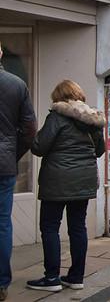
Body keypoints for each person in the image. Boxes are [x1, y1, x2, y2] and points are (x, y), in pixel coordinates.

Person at [27, 80, 105, 292]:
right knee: (78, 227)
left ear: (58, 97)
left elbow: (39, 147)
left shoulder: (56, 117)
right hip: (83, 181)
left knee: (50, 228)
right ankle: (76, 277)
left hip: (57, 182)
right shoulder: (93, 120)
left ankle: (51, 278)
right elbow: (99, 150)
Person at [0, 43, 38, 300]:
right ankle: (1, 283)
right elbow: (29, 130)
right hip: (3, 166)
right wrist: (12, 155)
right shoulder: (16, 84)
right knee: (2, 222)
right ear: (0, 53)